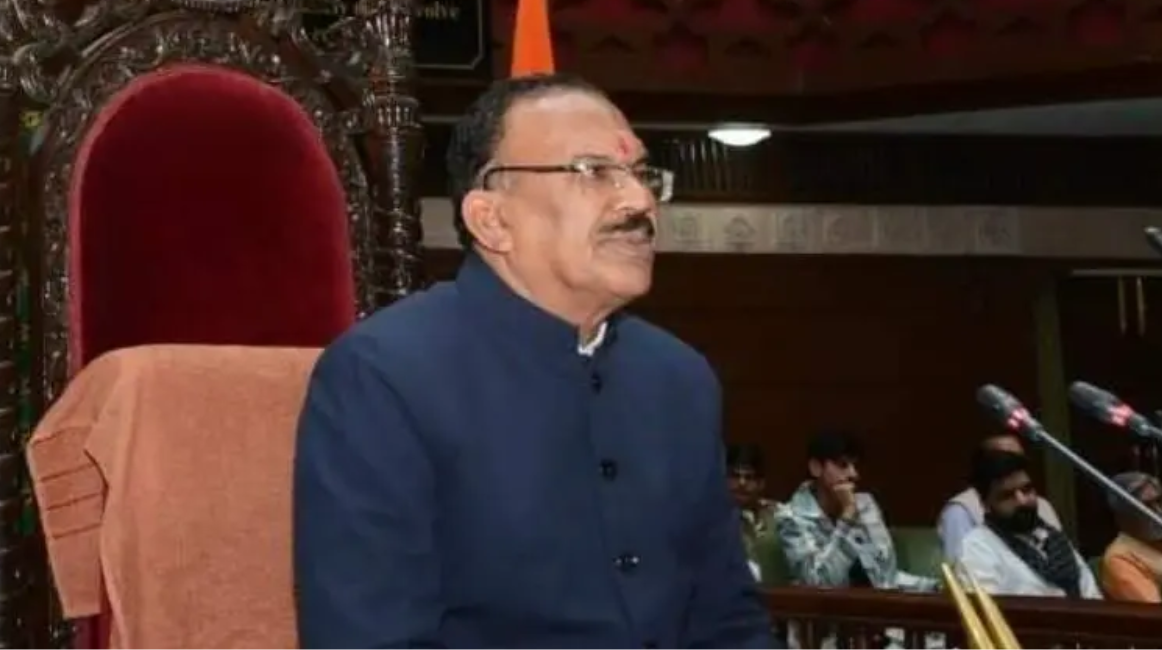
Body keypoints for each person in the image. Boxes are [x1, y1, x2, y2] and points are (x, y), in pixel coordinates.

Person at [293, 73, 779, 648]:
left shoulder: (679, 378)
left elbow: (727, 619)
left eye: (643, 174)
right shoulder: (383, 376)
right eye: (593, 171)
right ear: (492, 220)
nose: (640, 200)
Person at [774, 430, 938, 592]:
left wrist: (934, 587)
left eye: (854, 465)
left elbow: (885, 577)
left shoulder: (865, 504)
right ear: (816, 467)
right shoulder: (791, 517)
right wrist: (847, 518)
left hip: (879, 605)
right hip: (827, 608)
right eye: (843, 465)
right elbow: (819, 583)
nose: (853, 474)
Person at [956, 450, 1100, 599]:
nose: (1022, 501)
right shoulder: (977, 547)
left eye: (1027, 490)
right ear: (985, 504)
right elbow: (987, 608)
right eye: (1007, 495)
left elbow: (1092, 597)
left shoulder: (1054, 539)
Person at [937, 431, 1062, 562]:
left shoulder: (1042, 505)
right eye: (1005, 459)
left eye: (1018, 459)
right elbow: (960, 566)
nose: (1013, 465)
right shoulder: (960, 510)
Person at [1100, 471, 1162, 603]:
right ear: (1124, 515)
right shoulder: (1119, 558)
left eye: (1159, 502)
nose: (1159, 512)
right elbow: (1153, 611)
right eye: (1147, 506)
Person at [727, 444, 778, 581]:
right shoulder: (712, 520)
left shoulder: (778, 516)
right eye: (735, 476)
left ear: (761, 483)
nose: (742, 483)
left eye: (749, 477)